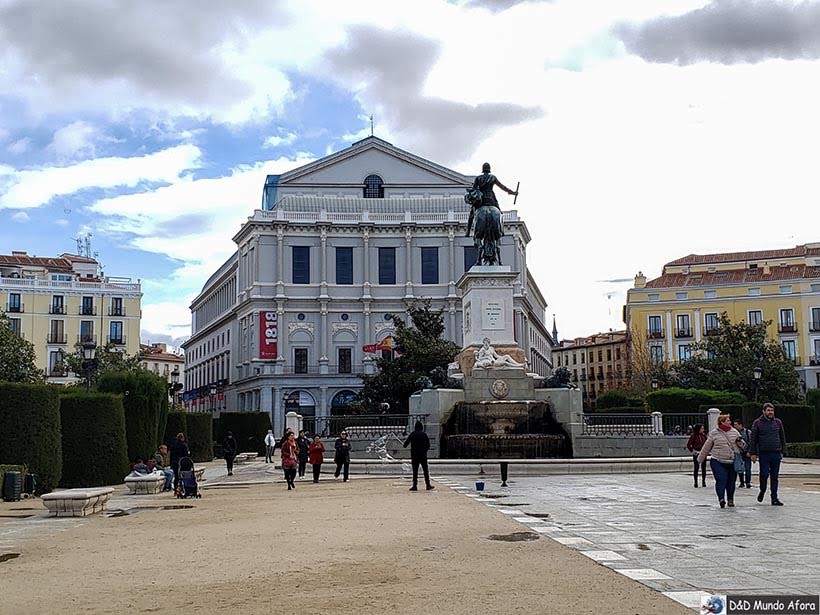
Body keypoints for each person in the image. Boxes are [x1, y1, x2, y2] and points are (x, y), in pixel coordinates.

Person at [697, 413, 741, 508]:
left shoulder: (735, 432)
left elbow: (742, 446)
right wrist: (700, 459)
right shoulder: (714, 433)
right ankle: (721, 498)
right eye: (728, 420)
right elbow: (706, 447)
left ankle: (730, 499)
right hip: (718, 460)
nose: (730, 422)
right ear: (722, 422)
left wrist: (741, 443)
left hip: (732, 461)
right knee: (721, 480)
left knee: (731, 481)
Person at [465, 162, 517, 237]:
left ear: (483, 169)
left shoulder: (478, 178)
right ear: (489, 170)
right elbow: (503, 187)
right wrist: (513, 193)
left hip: (481, 200)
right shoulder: (493, 177)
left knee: (472, 214)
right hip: (491, 199)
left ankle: (468, 231)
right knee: (500, 213)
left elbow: (474, 190)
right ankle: (501, 230)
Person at [750, 402, 787, 506]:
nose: (770, 412)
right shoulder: (757, 423)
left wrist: (783, 450)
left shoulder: (778, 422)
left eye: (772, 410)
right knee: (764, 474)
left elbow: (782, 437)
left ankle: (774, 497)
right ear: (764, 411)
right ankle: (762, 490)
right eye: (768, 410)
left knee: (775, 477)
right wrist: (753, 453)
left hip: (776, 453)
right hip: (764, 454)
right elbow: (753, 439)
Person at [403, 420, 434, 491]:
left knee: (415, 471)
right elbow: (428, 445)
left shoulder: (412, 434)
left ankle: (415, 485)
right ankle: (428, 485)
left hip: (414, 455)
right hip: (423, 455)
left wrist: (405, 444)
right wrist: (424, 451)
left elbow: (405, 445)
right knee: (425, 470)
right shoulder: (424, 434)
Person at [733, 418, 752, 489]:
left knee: (748, 468)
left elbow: (751, 442)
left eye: (736, 425)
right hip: (738, 453)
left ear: (740, 425)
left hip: (746, 452)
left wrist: (750, 451)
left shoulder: (748, 432)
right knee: (739, 467)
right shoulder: (734, 433)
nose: (735, 426)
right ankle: (741, 482)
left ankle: (748, 482)